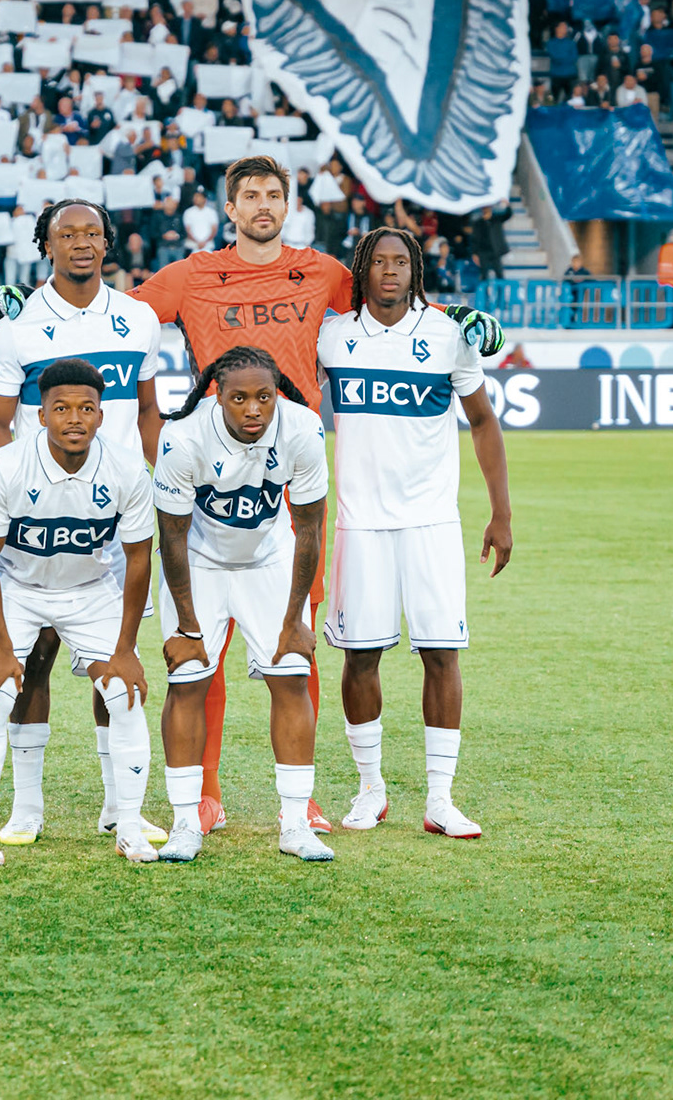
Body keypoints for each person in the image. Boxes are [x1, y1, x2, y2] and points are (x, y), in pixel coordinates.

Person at [108, 154, 501, 835]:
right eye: (249, 195)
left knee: (297, 638)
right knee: (206, 639)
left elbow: (396, 294)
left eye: (273, 194)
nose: (262, 204)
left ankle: (306, 796)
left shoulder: (322, 272)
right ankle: (205, 792)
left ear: (288, 205)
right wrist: (15, 310)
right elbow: (112, 315)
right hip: (211, 473)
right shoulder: (191, 276)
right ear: (227, 209)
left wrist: (460, 318)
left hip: (295, 473)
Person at [317, 228, 512, 842]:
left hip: (431, 522)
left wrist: (501, 513)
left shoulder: (448, 336)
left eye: (401, 262)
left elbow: (482, 421)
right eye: (379, 262)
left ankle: (440, 798)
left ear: (416, 269)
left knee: (441, 654)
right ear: (362, 271)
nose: (390, 272)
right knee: (361, 656)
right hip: (359, 522)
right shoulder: (333, 336)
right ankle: (370, 788)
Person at [0, 200, 164, 849]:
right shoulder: (18, 327)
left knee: (114, 657)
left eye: (92, 233)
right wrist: (15, 493)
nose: (81, 243)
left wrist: (150, 479)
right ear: (46, 245)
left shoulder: (138, 318)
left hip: (110, 513)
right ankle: (26, 807)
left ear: (108, 243)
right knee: (32, 660)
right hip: (37, 516)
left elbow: (146, 409)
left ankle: (120, 805)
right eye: (67, 234)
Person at [0, 359, 158, 866]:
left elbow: (138, 559)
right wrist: (3, 649)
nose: (75, 418)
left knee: (126, 694)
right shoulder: (4, 466)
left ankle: (129, 824)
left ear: (101, 416)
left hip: (90, 589)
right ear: (41, 414)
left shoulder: (127, 470)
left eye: (86, 409)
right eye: (61, 408)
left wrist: (125, 649)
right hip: (18, 588)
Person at [152, 347, 331, 863]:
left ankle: (295, 824)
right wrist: (187, 625)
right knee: (187, 680)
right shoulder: (183, 437)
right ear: (218, 395)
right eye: (239, 399)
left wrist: (296, 617)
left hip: (268, 562)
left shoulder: (302, 428)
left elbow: (310, 527)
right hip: (199, 565)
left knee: (292, 674)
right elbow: (172, 535)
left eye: (263, 398)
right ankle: (187, 821)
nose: (253, 409)